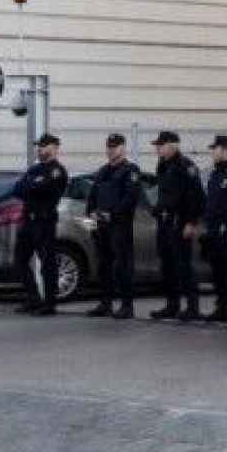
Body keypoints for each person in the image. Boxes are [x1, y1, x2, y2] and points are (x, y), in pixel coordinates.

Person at [149, 130, 205, 322]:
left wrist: (191, 222)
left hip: (181, 221)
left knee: (184, 266)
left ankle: (192, 306)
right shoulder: (162, 165)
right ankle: (172, 305)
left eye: (161, 145)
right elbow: (163, 193)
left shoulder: (186, 166)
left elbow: (196, 196)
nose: (157, 148)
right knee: (168, 265)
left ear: (173, 145)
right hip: (165, 221)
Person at [85, 133, 141, 319]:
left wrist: (113, 214)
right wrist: (91, 212)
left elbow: (130, 198)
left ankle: (127, 306)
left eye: (115, 146)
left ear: (123, 148)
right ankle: (105, 303)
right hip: (101, 225)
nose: (110, 150)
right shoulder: (103, 171)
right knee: (104, 266)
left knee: (123, 266)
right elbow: (92, 195)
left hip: (119, 225)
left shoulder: (130, 170)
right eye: (109, 147)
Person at [12, 134, 68, 316]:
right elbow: (17, 190)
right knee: (19, 260)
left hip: (44, 222)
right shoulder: (35, 169)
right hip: (28, 220)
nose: (39, 149)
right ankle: (33, 298)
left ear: (54, 147)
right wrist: (33, 185)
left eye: (43, 146)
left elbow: (45, 189)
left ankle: (50, 304)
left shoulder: (57, 171)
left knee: (47, 263)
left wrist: (33, 186)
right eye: (38, 146)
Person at [201, 135, 227, 324]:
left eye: (214, 148)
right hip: (214, 229)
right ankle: (221, 307)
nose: (212, 152)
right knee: (218, 271)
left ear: (225, 150)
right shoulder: (215, 174)